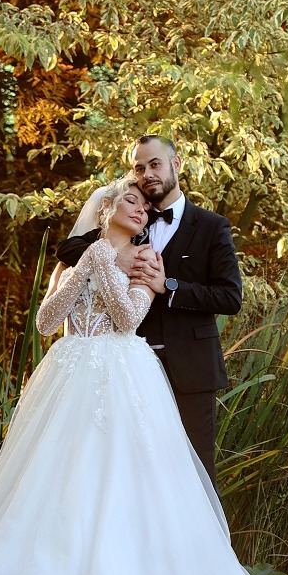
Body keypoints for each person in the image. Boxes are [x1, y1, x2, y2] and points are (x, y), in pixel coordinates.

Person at [0, 179, 288, 575]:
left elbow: (128, 319)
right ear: (106, 209)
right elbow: (45, 322)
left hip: (122, 374)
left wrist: (105, 264)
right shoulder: (77, 260)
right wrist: (90, 263)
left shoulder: (146, 260)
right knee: (57, 477)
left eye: (145, 206)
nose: (141, 210)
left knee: (122, 478)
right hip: (67, 374)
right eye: (131, 201)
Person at [55, 135, 238, 488]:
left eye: (155, 164)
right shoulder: (130, 219)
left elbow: (229, 296)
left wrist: (170, 287)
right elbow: (69, 247)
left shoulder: (212, 226)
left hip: (189, 369)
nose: (147, 173)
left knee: (193, 478)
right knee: (132, 478)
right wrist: (113, 254)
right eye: (140, 167)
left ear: (176, 164)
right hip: (128, 371)